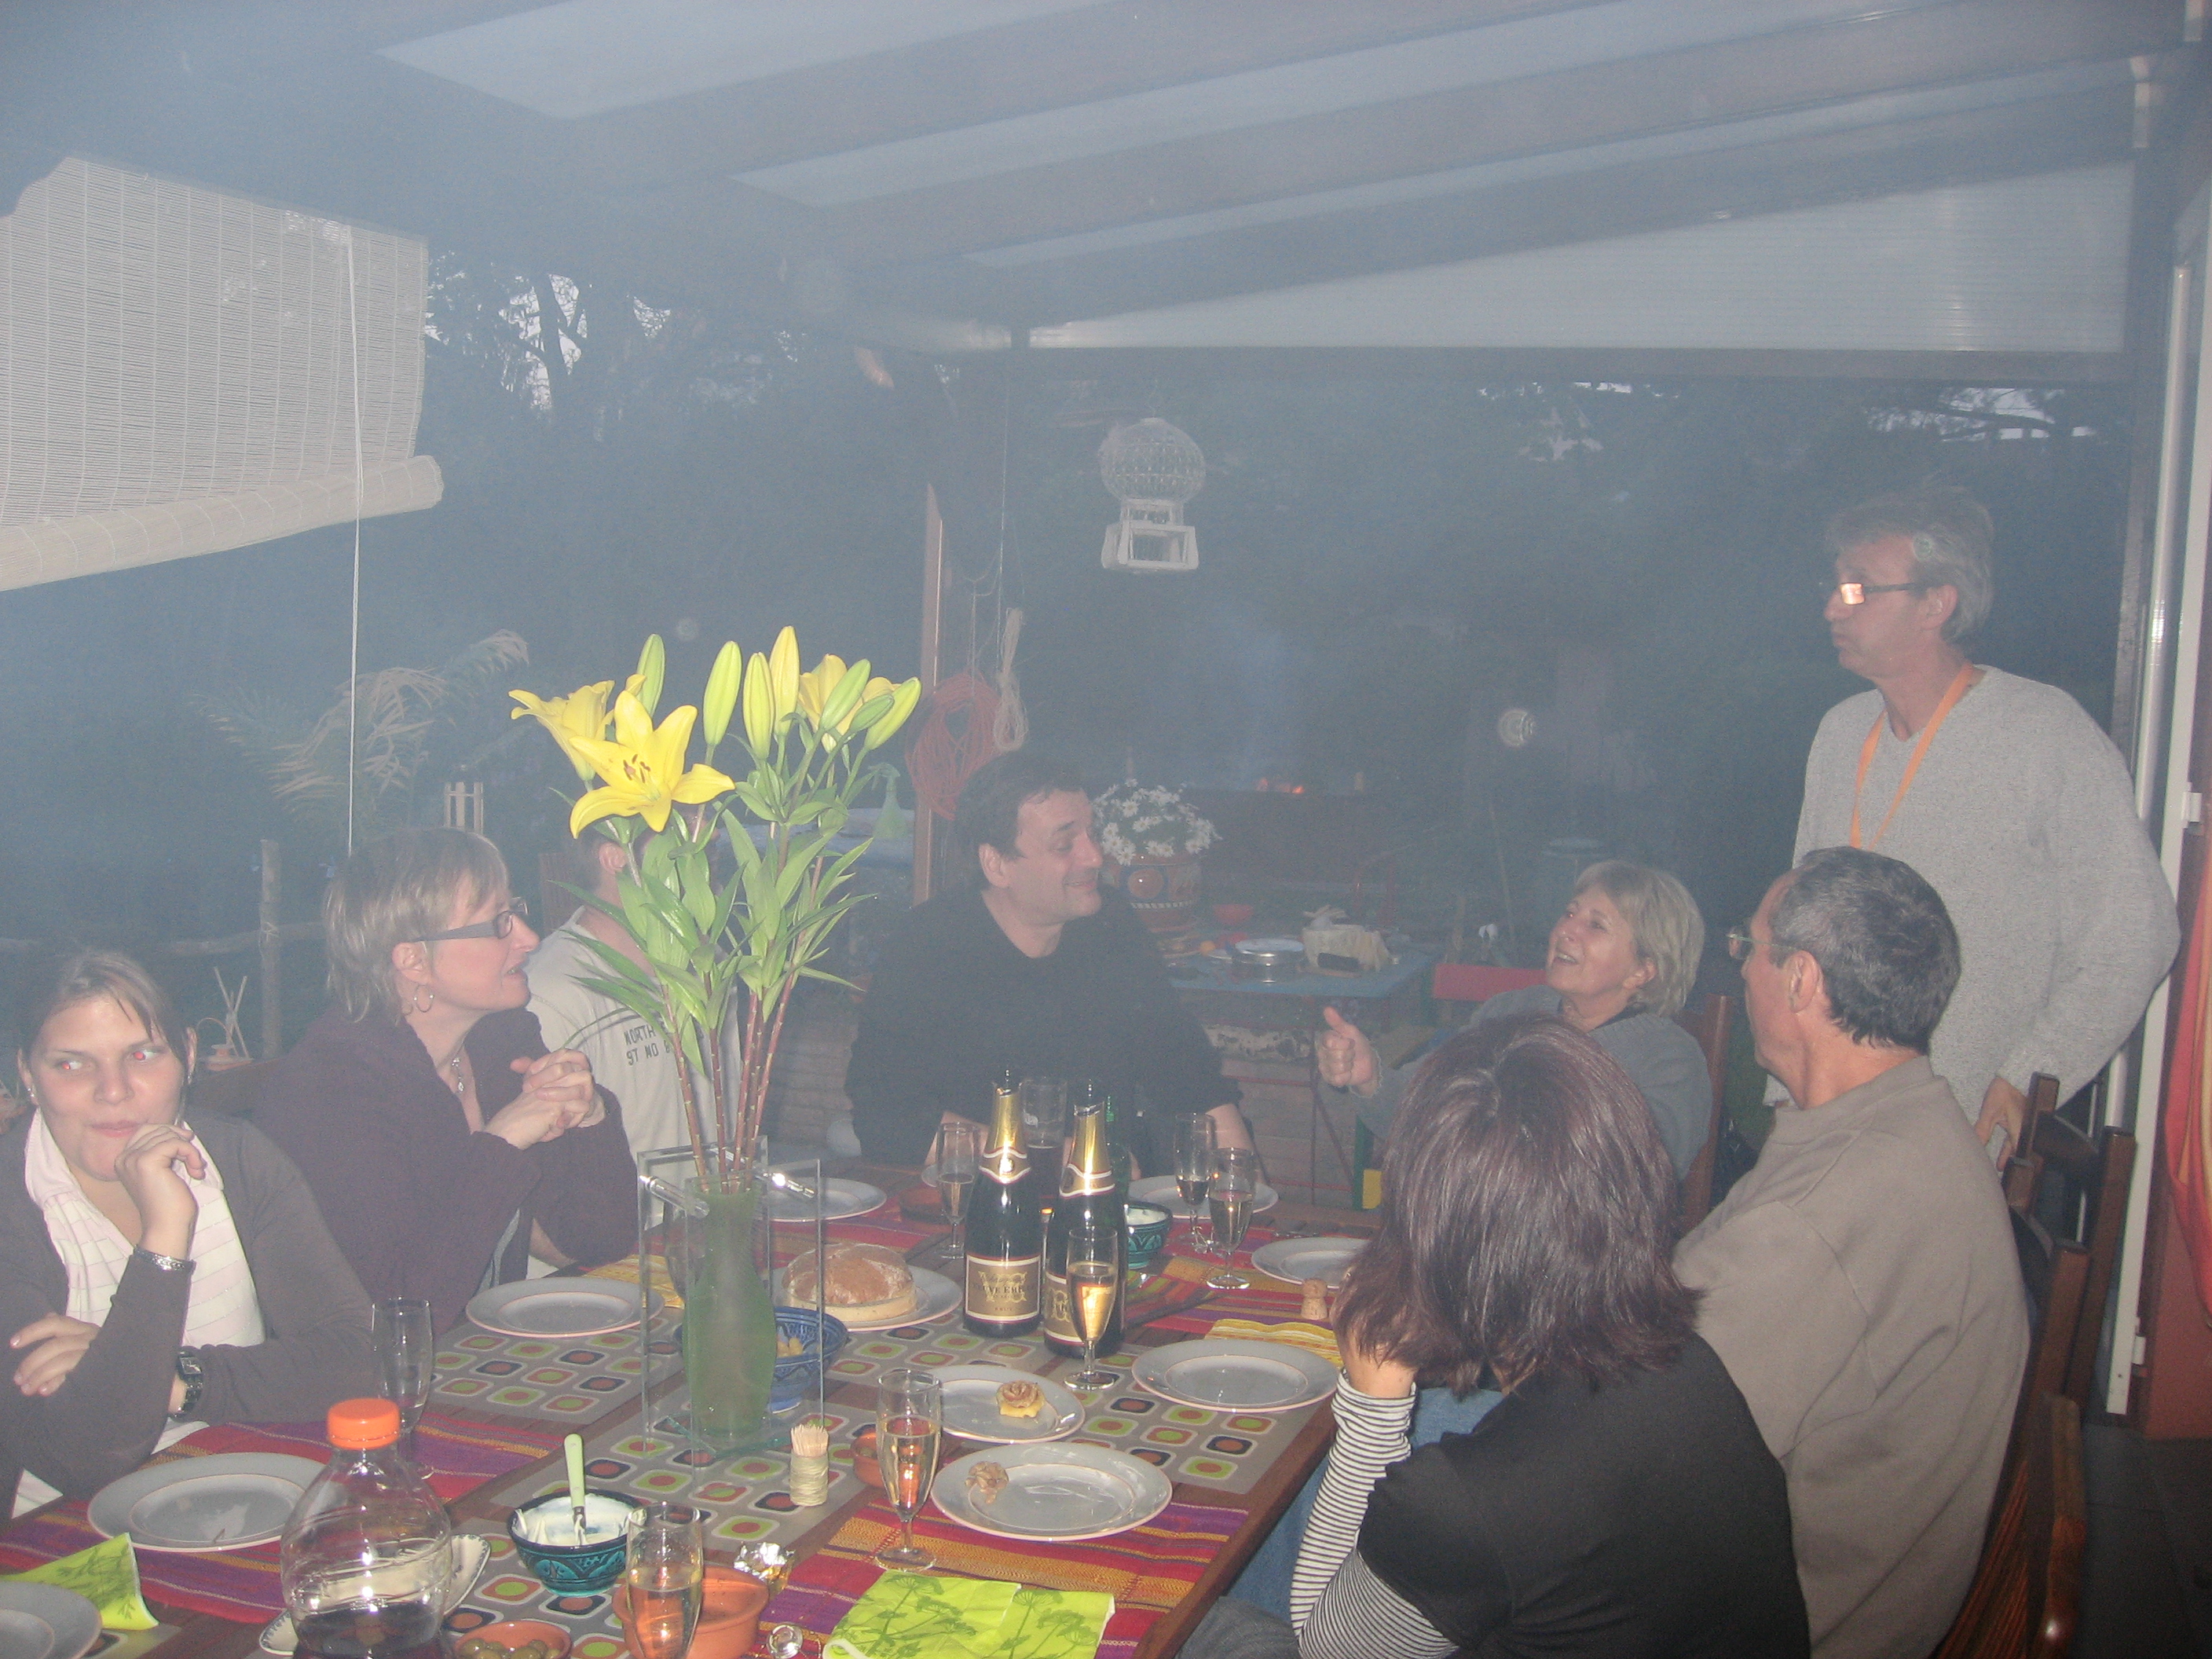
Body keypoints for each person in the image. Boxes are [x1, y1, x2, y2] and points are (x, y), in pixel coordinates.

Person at [1188, 1014, 1807, 1659]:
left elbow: (1328, 1650)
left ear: (1430, 1227)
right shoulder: (1692, 1364)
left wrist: (1374, 1407)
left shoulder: (1470, 1501)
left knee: (1201, 1619)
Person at [1679, 847, 2029, 1658]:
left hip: (1770, 1619)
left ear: (1800, 980)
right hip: (1781, 1560)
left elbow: (1632, 1431)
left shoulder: (1833, 1206)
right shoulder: (1894, 1123)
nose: (1740, 966)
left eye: (1749, 945)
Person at [1797, 485, 2176, 1157]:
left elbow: (2135, 937)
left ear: (1935, 604)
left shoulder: (2043, 733)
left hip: (1954, 1129)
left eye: (1858, 589)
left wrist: (2032, 1074)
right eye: (1834, 587)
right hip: (1826, 1116)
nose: (1833, 607)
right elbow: (1803, 925)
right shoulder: (1840, 732)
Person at [0, 950, 373, 1515]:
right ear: (29, 1076)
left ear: (189, 1056)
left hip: (241, 1495)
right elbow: (83, 1457)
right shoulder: (13, 1208)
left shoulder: (237, 1158)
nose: (113, 1090)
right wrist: (165, 1234)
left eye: (142, 1055)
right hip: (63, 1539)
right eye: (72, 1065)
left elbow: (359, 1360)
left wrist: (173, 1377)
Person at [258, 829, 635, 1332]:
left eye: (515, 910)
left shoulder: (499, 1042)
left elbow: (599, 1244)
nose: (528, 938)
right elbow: (398, 1314)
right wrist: (500, 1145)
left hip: (485, 1355)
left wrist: (591, 1117)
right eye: (499, 923)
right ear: (413, 959)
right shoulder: (330, 1094)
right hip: (373, 1377)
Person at [844, 751, 1248, 1166]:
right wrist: (1056, 1160)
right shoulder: (929, 947)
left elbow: (1185, 1070)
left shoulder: (1111, 926)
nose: (1094, 856)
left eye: (1093, 834)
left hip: (1106, 1195)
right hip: (976, 1195)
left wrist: (1240, 1179)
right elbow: (887, 1118)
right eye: (1064, 845)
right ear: (997, 864)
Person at [1318, 860, 1712, 1178]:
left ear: (1642, 970)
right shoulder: (1509, 1011)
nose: (1566, 930)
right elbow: (1419, 1108)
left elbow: (1643, 1174)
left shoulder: (1667, 1057)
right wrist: (1370, 1077)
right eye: (1569, 912)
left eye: (1596, 925)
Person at [526, 833, 693, 1165]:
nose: (710, 834)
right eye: (679, 826)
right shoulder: (550, 990)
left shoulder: (707, 963)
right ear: (616, 859)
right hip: (628, 1200)